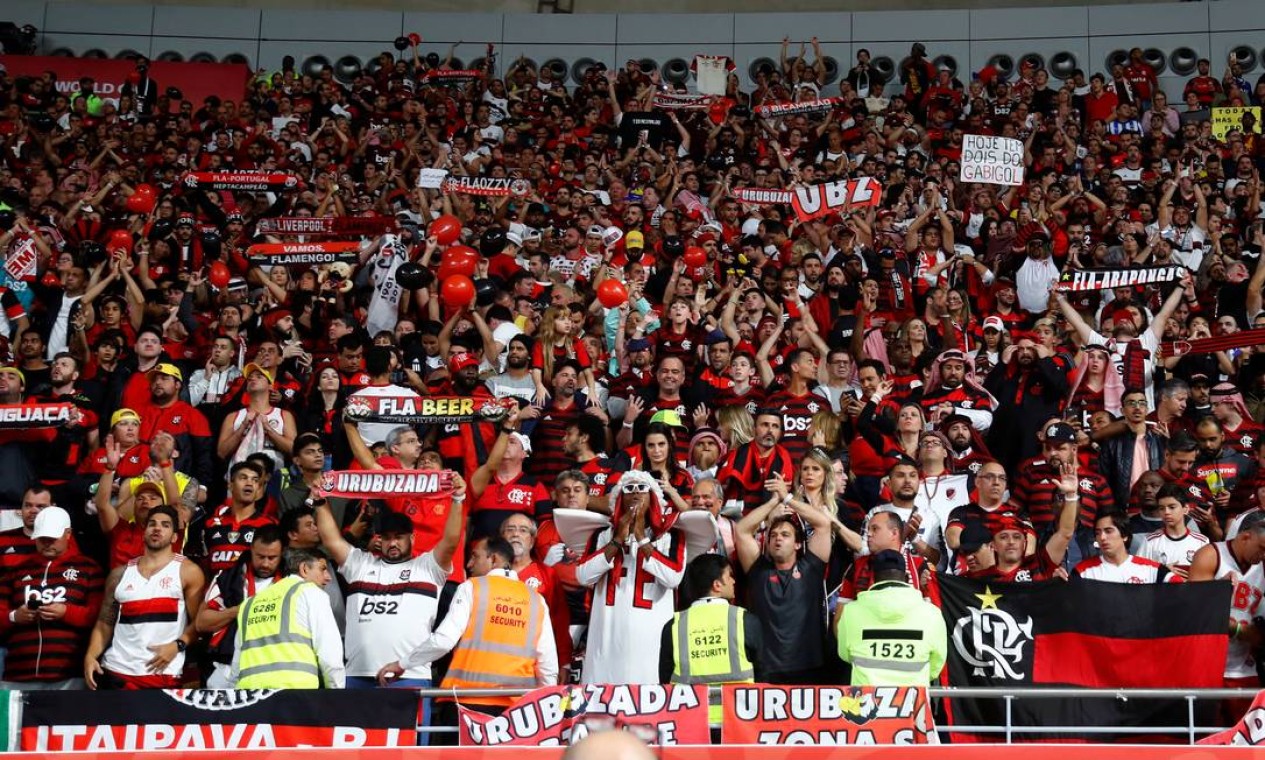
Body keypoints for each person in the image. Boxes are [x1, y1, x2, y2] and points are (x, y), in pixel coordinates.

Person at [313, 474, 463, 691]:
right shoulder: (360, 564)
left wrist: (458, 499)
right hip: (356, 675)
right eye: (387, 537)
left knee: (411, 728)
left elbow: (450, 541)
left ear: (411, 539)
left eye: (399, 537)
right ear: (379, 539)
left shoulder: (428, 567)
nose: (392, 543)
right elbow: (331, 540)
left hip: (410, 674)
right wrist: (319, 501)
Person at [377, 536, 557, 713]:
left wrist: (403, 664)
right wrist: (543, 707)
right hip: (515, 708)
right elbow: (547, 665)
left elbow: (443, 641)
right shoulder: (536, 599)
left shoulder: (472, 587)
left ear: (493, 559)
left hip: (466, 701)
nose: (469, 564)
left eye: (475, 556)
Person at [575, 470, 685, 684]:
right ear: (619, 499)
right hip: (605, 646)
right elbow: (583, 576)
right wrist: (617, 540)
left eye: (642, 489)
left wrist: (642, 539)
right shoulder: (602, 536)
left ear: (653, 497)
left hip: (650, 647)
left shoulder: (670, 536)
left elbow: (672, 577)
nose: (636, 493)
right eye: (629, 489)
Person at [85, 506, 205, 689]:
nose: (157, 528)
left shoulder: (188, 571)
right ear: (144, 532)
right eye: (152, 524)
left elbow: (200, 623)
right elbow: (104, 623)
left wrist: (178, 645)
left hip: (163, 673)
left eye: (165, 525)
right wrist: (91, 656)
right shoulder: (119, 574)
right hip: (116, 671)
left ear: (174, 537)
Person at [736, 470, 831, 684]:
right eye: (774, 535)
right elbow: (742, 530)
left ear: (798, 544)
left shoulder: (811, 568)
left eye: (785, 535)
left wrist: (788, 498)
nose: (778, 539)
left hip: (809, 667)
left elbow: (823, 524)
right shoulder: (758, 571)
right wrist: (773, 502)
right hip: (766, 668)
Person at [0, 506, 103, 690]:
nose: (47, 543)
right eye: (42, 538)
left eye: (52, 538)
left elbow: (100, 618)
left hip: (69, 675)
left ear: (68, 534)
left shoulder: (88, 569)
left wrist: (66, 612)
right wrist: (15, 616)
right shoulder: (17, 571)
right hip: (18, 674)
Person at [660, 554, 761, 727]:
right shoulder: (744, 620)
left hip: (690, 722)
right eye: (730, 575)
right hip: (738, 720)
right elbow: (763, 672)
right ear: (717, 585)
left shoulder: (674, 625)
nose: (734, 581)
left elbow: (664, 679)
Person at [230, 547, 345, 689]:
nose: (328, 577)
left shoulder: (249, 603)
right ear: (304, 569)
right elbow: (330, 654)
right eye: (322, 569)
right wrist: (336, 694)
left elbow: (236, 666)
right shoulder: (311, 593)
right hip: (296, 695)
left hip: (251, 697)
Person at [836, 549, 947, 686]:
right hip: (915, 701)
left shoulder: (850, 612)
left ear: (874, 579)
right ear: (906, 578)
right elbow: (937, 665)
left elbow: (844, 654)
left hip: (865, 701)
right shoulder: (932, 613)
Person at [196, 525, 284, 688]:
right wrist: (241, 610)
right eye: (260, 556)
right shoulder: (228, 578)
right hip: (227, 664)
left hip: (273, 664)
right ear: (250, 550)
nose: (265, 563)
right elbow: (202, 622)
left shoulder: (291, 582)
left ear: (282, 553)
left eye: (272, 558)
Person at [1074, 512, 1175, 583]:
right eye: (1097, 533)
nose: (1102, 537)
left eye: (1108, 531)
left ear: (1125, 535)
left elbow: (1183, 592)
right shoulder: (1082, 572)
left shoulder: (1153, 570)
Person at [1137, 484, 1210, 578]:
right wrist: (1162, 571)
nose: (1166, 512)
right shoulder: (1150, 542)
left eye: (1172, 507)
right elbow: (1138, 575)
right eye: (1162, 508)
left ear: (1185, 509)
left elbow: (1208, 578)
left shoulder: (1202, 542)